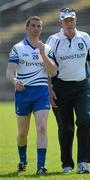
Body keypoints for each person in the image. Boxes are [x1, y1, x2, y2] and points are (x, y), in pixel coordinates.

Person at [46, 8, 90, 174]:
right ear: (60, 22)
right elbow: (47, 67)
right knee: (65, 127)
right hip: (60, 88)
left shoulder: (84, 37)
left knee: (85, 119)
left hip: (81, 86)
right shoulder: (53, 40)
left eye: (71, 19)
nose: (69, 22)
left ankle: (83, 162)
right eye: (66, 20)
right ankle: (67, 164)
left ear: (75, 21)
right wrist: (49, 89)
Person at [6, 16, 57, 175]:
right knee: (22, 133)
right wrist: (15, 81)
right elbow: (9, 72)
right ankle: (22, 160)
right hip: (23, 93)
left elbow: (53, 71)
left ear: (41, 28)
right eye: (33, 25)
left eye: (39, 26)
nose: (36, 28)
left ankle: (41, 166)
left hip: (41, 92)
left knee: (42, 128)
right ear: (27, 27)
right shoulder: (18, 48)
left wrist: (42, 53)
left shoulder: (47, 48)